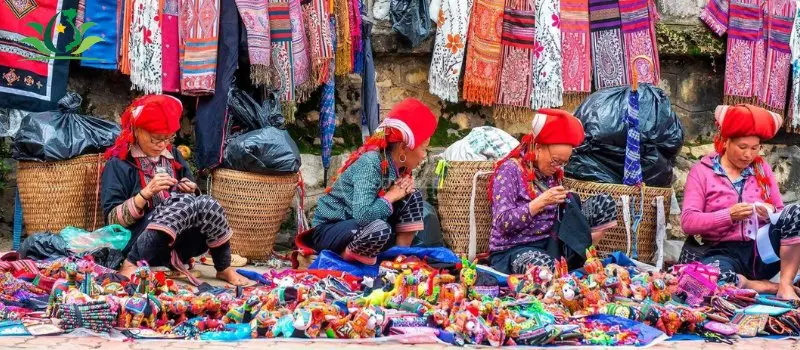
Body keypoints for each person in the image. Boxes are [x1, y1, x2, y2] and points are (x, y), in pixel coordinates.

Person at [101, 95, 250, 286]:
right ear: (137, 131)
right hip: (135, 243)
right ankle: (130, 265)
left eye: (167, 138)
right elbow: (111, 221)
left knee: (207, 203)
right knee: (182, 204)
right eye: (156, 139)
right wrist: (145, 194)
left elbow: (194, 203)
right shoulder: (119, 164)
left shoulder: (173, 155)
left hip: (178, 245)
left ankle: (223, 267)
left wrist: (191, 189)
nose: (162, 145)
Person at [296, 98, 438, 265]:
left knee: (412, 197)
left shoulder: (397, 169)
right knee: (378, 229)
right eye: (423, 148)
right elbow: (363, 216)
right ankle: (338, 260)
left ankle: (400, 260)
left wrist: (401, 192)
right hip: (334, 230)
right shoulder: (371, 163)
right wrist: (391, 196)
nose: (424, 155)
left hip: (365, 230)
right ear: (403, 148)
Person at [682, 104, 800, 300]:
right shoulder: (702, 172)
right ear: (726, 142)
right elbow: (688, 221)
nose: (749, 155)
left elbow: (782, 213)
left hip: (762, 253)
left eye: (755, 148)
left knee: (796, 212)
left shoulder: (762, 170)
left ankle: (785, 285)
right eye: (742, 147)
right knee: (710, 281)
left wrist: (770, 212)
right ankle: (764, 286)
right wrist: (728, 215)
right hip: (722, 252)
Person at [488, 109, 618, 275]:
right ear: (539, 148)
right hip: (515, 249)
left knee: (604, 204)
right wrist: (541, 201)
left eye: (563, 163)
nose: (558, 167)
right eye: (555, 161)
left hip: (552, 244)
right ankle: (561, 270)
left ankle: (583, 258)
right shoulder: (510, 171)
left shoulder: (552, 175)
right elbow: (503, 223)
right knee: (544, 267)